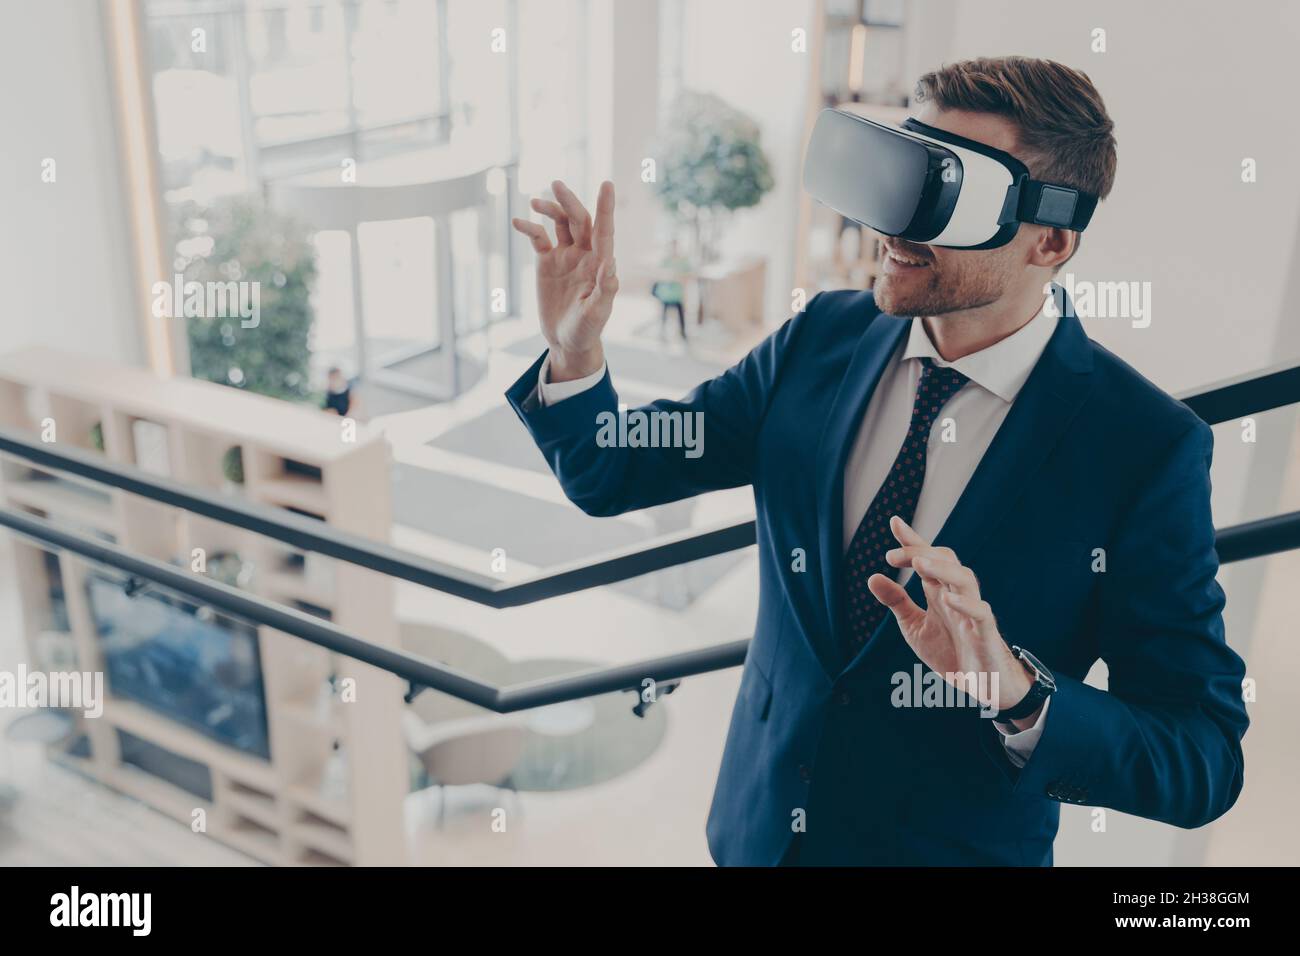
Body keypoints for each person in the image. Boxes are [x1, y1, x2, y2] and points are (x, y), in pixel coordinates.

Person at [506, 57, 1248, 866]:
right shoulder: (819, 338)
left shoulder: (1141, 447)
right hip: (757, 834)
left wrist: (1017, 692)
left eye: (946, 197)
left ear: (1050, 239)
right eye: (900, 175)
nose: (893, 229)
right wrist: (574, 354)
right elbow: (612, 472)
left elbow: (1201, 757)